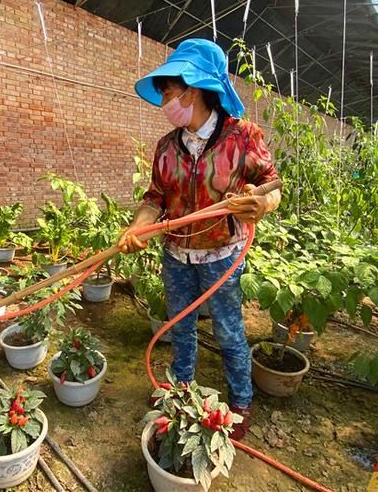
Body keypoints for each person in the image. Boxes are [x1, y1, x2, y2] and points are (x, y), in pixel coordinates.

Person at [119, 38, 282, 441]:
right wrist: (139, 226)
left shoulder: (242, 136)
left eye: (168, 93)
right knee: (180, 327)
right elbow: (154, 198)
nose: (164, 103)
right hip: (177, 254)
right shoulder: (166, 147)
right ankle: (181, 390)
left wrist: (262, 204)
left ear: (193, 89)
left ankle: (240, 401)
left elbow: (271, 184)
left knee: (228, 330)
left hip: (222, 254)